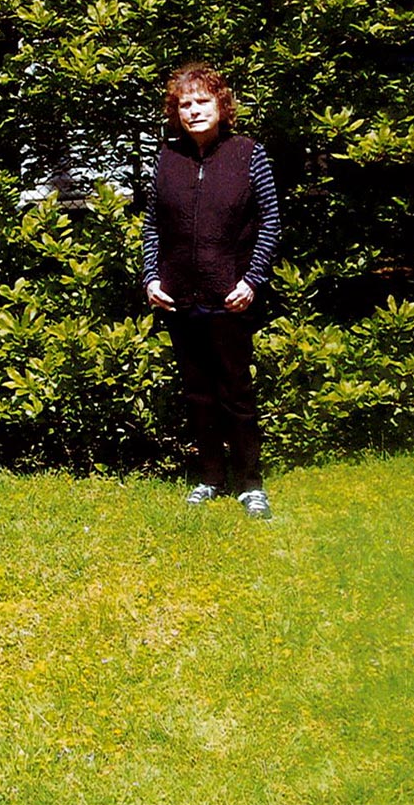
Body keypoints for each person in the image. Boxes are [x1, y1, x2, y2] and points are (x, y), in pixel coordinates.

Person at [142, 63, 280, 518]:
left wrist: (252, 280)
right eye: (185, 104)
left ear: (222, 106)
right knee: (197, 395)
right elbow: (151, 226)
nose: (194, 111)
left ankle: (250, 483)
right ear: (175, 112)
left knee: (236, 394)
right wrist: (151, 277)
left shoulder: (248, 154)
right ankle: (210, 477)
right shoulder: (166, 158)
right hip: (179, 298)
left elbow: (270, 224)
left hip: (230, 297)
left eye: (203, 102)